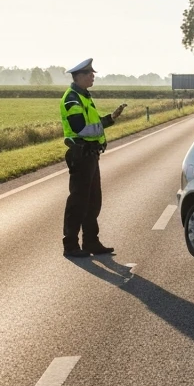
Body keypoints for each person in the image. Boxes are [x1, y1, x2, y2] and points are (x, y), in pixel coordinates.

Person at [59, 58, 127, 258]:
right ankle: (71, 245)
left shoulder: (84, 97)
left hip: (90, 156)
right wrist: (105, 124)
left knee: (93, 201)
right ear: (78, 77)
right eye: (89, 74)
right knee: (78, 202)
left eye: (92, 73)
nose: (93, 76)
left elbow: (92, 124)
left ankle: (91, 241)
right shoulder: (72, 98)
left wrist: (110, 119)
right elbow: (81, 128)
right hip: (81, 156)